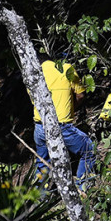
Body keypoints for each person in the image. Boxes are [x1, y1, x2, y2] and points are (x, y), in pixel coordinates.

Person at [31, 57, 96, 188]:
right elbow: (81, 95)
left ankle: (40, 198)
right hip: (60, 126)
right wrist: (71, 109)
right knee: (88, 149)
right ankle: (82, 188)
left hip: (39, 126)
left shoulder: (34, 73)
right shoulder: (67, 69)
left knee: (43, 162)